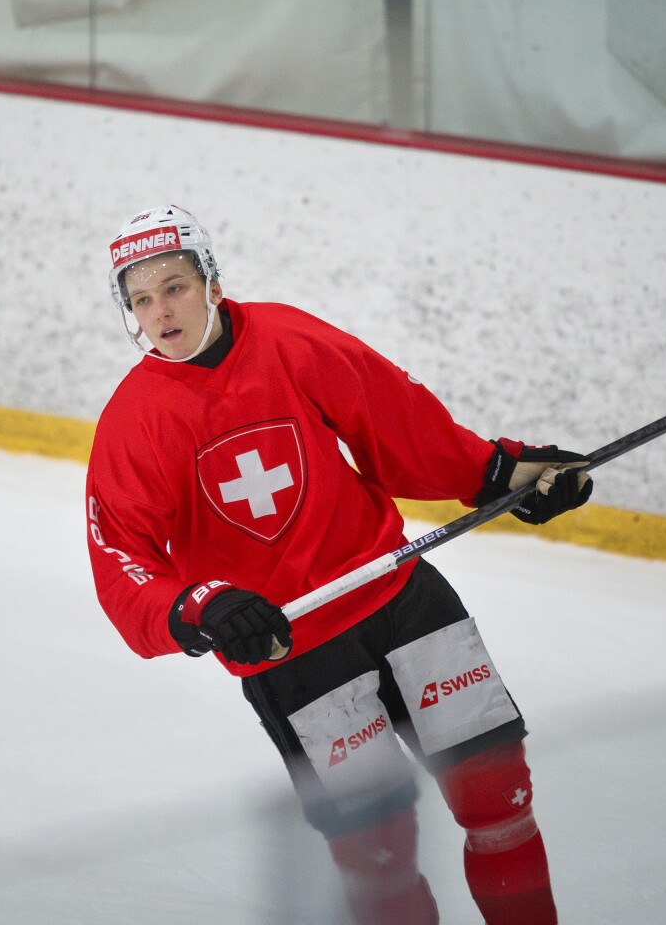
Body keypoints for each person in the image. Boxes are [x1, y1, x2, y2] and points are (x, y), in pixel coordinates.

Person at [84, 205, 593, 925]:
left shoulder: (287, 338)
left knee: (498, 801)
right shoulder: (135, 420)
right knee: (378, 858)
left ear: (211, 282)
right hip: (290, 649)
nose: (160, 310)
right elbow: (122, 560)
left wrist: (496, 472)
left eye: (173, 286)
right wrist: (202, 606)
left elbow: (392, 415)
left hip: (398, 596)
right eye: (140, 299)